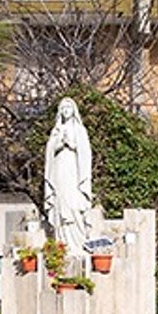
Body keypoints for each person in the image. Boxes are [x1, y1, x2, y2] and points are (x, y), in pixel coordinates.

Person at [44, 97, 95, 251]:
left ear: (74, 111)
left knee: (74, 204)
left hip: (74, 170)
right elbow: (49, 154)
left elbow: (85, 153)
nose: (66, 111)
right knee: (61, 203)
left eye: (69, 108)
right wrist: (59, 143)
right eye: (64, 109)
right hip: (59, 169)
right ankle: (62, 244)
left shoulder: (80, 130)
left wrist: (71, 144)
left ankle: (78, 243)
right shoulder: (56, 131)